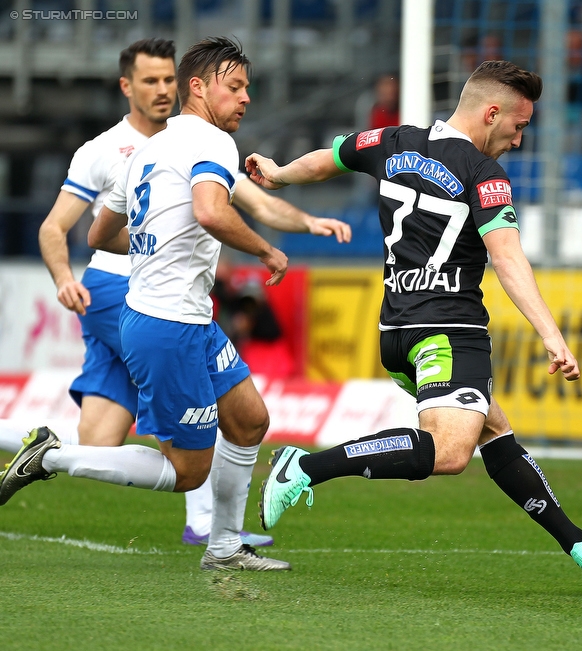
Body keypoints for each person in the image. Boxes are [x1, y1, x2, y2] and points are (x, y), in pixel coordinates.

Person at [245, 60, 582, 574]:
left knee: (493, 430)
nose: (518, 140)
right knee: (449, 452)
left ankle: (578, 542)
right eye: (519, 125)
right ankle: (306, 466)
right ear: (492, 113)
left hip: (395, 334)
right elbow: (507, 258)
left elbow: (331, 158)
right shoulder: (484, 175)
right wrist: (552, 336)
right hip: (449, 332)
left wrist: (280, 175)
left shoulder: (391, 140)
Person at [0, 39, 349, 548]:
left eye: (248, 87)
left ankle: (225, 546)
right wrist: (267, 252)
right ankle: (53, 456)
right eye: (235, 87)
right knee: (187, 468)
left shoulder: (151, 149)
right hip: (168, 321)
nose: (246, 97)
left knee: (250, 420)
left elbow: (99, 234)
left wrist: (153, 245)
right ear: (200, 88)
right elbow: (210, 211)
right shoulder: (208, 143)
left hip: (176, 316)